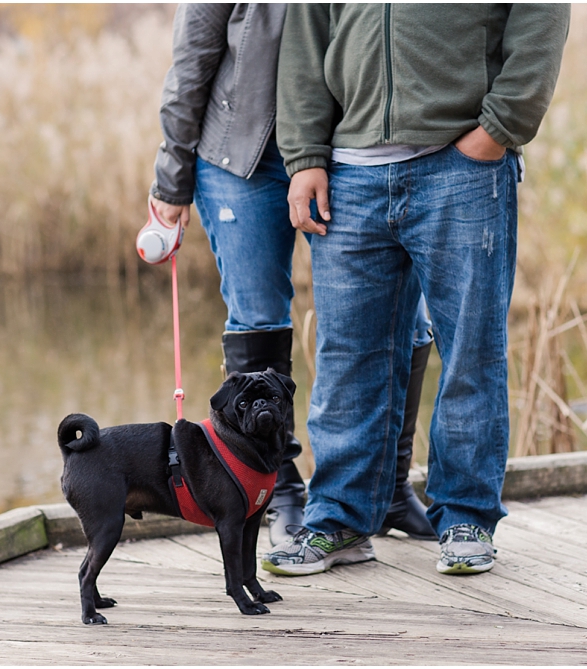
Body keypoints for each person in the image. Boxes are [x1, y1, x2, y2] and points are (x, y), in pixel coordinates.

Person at [262, 3, 570, 577]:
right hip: (348, 176)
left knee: (470, 352)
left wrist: (499, 128)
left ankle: (466, 519)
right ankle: (340, 522)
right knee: (347, 358)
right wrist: (305, 156)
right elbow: (305, 43)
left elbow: (541, 16)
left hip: (461, 167)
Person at [150, 4, 438, 547]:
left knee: (405, 318)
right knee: (258, 317)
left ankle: (392, 487)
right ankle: (277, 488)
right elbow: (191, 63)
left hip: (350, 154)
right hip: (243, 161)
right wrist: (171, 180)